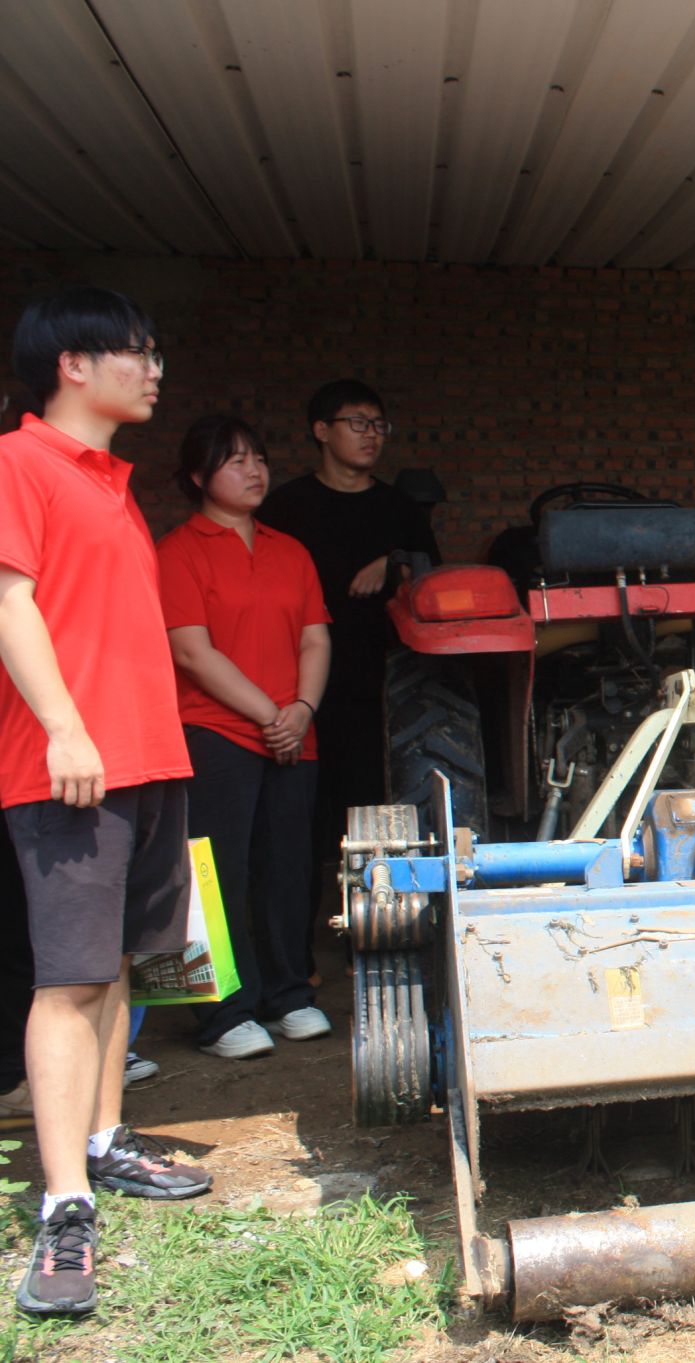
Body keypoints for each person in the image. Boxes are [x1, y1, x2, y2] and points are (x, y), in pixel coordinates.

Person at [0, 288, 214, 1320]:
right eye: (137, 352)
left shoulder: (116, 486)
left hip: (147, 757)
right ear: (71, 365)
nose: (155, 367)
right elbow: (9, 601)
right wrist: (63, 724)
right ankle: (64, 1203)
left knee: (124, 963)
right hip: (72, 763)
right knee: (70, 979)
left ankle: (102, 1139)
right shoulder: (20, 462)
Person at [158, 415, 334, 1060]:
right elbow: (192, 653)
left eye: (259, 457)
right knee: (214, 874)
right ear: (199, 477)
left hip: (294, 732)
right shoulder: (179, 551)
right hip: (217, 731)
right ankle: (222, 1013)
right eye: (235, 461)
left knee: (287, 870)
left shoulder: (291, 550)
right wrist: (271, 713)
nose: (255, 470)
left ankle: (289, 995)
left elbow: (316, 635)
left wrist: (303, 708)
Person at [258, 379, 438, 876]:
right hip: (301, 678)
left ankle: (378, 894)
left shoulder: (399, 509)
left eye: (379, 426)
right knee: (305, 799)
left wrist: (392, 558)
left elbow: (431, 579)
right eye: (357, 423)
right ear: (321, 430)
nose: (371, 435)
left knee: (372, 790)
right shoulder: (285, 507)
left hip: (384, 673)